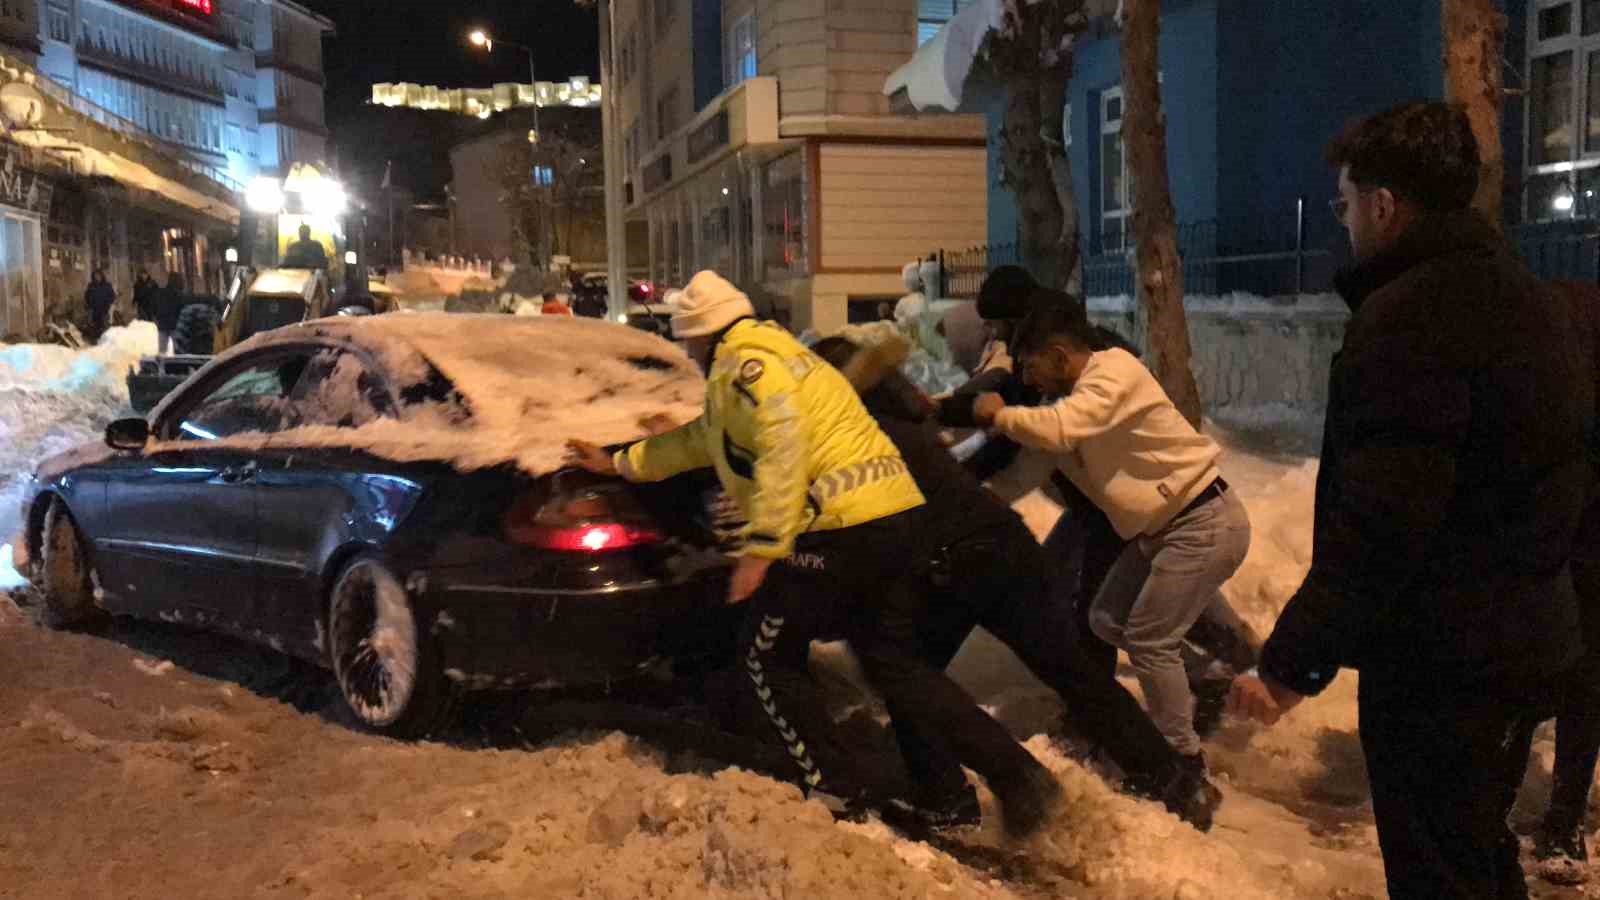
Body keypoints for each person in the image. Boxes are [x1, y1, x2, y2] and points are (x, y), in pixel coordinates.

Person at [1226, 103, 1594, 900]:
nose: (1345, 220)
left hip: (1444, 661)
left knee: (1439, 871)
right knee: (1478, 855)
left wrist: (1293, 663)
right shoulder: (1526, 299)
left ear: (1384, 204)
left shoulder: (1412, 320)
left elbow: (1382, 521)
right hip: (1522, 639)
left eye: (1346, 202)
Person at [569, 270, 1064, 837]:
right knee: (894, 663)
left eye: (688, 341)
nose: (688, 351)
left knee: (766, 654)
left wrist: (764, 549)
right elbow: (702, 440)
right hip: (891, 518)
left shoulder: (745, 366)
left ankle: (833, 789)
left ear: (703, 335)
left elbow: (782, 446)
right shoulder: (779, 355)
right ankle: (1013, 781)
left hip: (838, 527)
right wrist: (621, 462)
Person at [814, 332, 1224, 830]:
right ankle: (1176, 783)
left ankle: (951, 793)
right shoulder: (906, 416)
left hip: (953, 564)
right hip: (1003, 545)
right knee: (1073, 673)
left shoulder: (856, 435)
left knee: (903, 670)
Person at [973, 302, 1252, 773]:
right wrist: (959, 502)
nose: (1028, 377)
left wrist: (1001, 415)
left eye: (1031, 365)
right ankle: (1205, 677)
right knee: (1105, 618)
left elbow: (1062, 427)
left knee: (1149, 640)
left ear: (1060, 355)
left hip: (1202, 520)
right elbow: (1021, 475)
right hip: (1158, 533)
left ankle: (1181, 761)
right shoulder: (1063, 411)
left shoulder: (1114, 373)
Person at [1530, 281, 1600, 886]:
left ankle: (1564, 815)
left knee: (1583, 677)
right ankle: (1556, 815)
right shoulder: (1556, 317)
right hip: (1546, 526)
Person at [154, 272, 188, 355]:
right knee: (178, 349)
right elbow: (181, 308)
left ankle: (161, 365)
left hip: (162, 324)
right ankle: (178, 364)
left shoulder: (161, 293)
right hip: (175, 324)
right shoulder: (178, 294)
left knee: (162, 350)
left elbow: (155, 307)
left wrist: (157, 318)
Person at [83, 269, 115, 342]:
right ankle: (95, 341)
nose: (97, 277)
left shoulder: (107, 285)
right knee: (94, 326)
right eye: (95, 276)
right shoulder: (91, 285)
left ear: (102, 276)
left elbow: (112, 296)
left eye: (98, 275)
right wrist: (88, 304)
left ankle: (106, 341)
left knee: (104, 326)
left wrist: (108, 303)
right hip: (94, 310)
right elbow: (86, 296)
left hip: (104, 309)